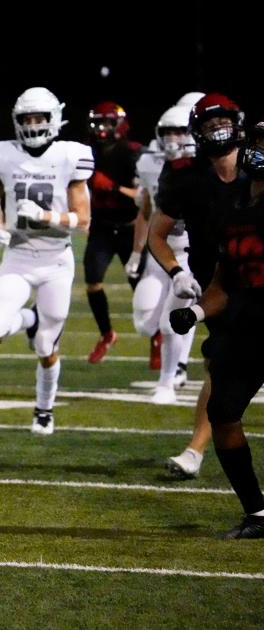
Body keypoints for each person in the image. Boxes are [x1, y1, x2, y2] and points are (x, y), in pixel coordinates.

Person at [168, 120, 264, 538]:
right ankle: (258, 512)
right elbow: (223, 284)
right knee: (222, 413)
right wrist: (197, 313)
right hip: (246, 328)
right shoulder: (237, 211)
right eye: (258, 143)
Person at [0, 87, 93, 435]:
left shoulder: (70, 155)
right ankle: (29, 320)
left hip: (56, 261)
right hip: (18, 257)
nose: (31, 125)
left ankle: (44, 410)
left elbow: (83, 220)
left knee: (46, 346)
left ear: (53, 119)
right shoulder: (5, 153)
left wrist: (45, 216)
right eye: (25, 119)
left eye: (38, 118)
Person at [150, 93, 249, 480]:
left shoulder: (256, 166)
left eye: (222, 121)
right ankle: (196, 448)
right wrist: (176, 272)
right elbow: (158, 234)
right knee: (220, 364)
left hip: (258, 276)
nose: (217, 130)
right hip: (217, 287)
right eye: (208, 125)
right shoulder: (185, 177)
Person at [130, 103, 198, 404]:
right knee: (145, 323)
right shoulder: (149, 162)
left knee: (170, 323)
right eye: (167, 132)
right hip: (159, 256)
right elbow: (146, 210)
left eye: (180, 131)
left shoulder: (205, 165)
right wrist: (135, 252)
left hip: (192, 254)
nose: (172, 138)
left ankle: (167, 382)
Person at [83, 102, 145, 363]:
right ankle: (107, 333)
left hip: (130, 228)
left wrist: (114, 188)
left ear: (120, 124)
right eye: (98, 122)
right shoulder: (86, 153)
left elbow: (144, 197)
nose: (102, 128)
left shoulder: (133, 153)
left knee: (141, 288)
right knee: (93, 282)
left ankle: (157, 336)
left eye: (107, 123)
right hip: (101, 227)